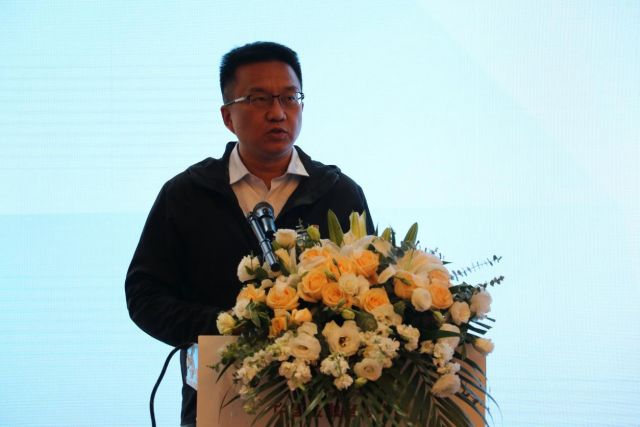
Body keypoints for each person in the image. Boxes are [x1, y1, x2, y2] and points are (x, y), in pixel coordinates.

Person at [125, 41, 374, 426]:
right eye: (259, 99)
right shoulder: (187, 194)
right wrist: (225, 325)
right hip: (219, 397)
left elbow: (371, 288)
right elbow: (145, 296)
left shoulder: (339, 193)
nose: (278, 112)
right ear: (228, 116)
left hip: (324, 400)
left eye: (289, 97)